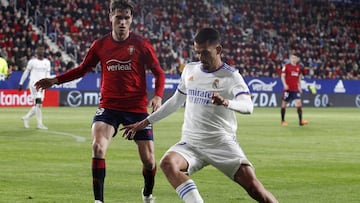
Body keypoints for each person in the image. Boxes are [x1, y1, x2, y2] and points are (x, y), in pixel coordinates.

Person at [122, 27, 278, 203]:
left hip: (221, 143)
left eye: (205, 53)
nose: (200, 58)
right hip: (191, 143)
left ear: (218, 50)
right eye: (197, 53)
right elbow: (175, 102)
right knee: (168, 163)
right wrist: (145, 122)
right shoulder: (190, 70)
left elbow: (248, 106)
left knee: (255, 188)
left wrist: (227, 103)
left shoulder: (231, 76)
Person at [34, 1, 165, 203]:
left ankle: (147, 193)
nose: (122, 22)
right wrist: (55, 80)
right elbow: (82, 69)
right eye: (119, 17)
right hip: (109, 107)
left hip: (137, 108)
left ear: (131, 20)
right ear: (110, 17)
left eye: (126, 18)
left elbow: (159, 72)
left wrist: (157, 95)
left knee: (148, 161)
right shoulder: (100, 45)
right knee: (97, 147)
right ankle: (99, 201)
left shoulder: (141, 44)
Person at [18, 44, 51, 130]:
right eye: (39, 50)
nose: (41, 51)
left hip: (42, 85)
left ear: (44, 51)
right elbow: (26, 72)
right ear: (37, 51)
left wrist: (48, 83)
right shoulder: (32, 62)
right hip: (34, 85)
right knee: (38, 103)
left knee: (38, 105)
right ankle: (39, 124)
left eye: (42, 50)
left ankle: (26, 117)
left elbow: (47, 74)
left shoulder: (47, 62)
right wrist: (21, 83)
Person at [280, 53, 309, 126]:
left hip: (295, 89)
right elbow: (282, 76)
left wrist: (300, 87)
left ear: (297, 59)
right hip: (287, 89)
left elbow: (299, 79)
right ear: (290, 59)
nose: (293, 59)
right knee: (284, 105)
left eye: (295, 58)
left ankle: (301, 121)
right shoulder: (286, 67)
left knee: (299, 103)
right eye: (292, 58)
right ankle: (283, 120)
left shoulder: (299, 68)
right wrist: (285, 85)